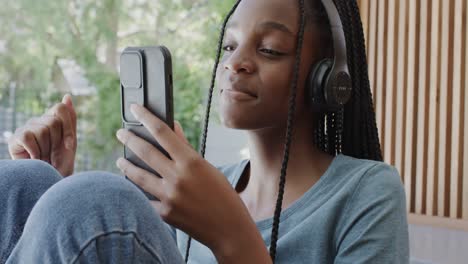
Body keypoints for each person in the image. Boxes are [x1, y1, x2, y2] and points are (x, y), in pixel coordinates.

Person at [0, 0, 409, 263]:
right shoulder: (208, 186)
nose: (236, 63)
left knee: (95, 200)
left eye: (268, 49)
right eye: (229, 46)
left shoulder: (367, 191)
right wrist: (53, 205)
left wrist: (232, 237)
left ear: (327, 78)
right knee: (25, 181)